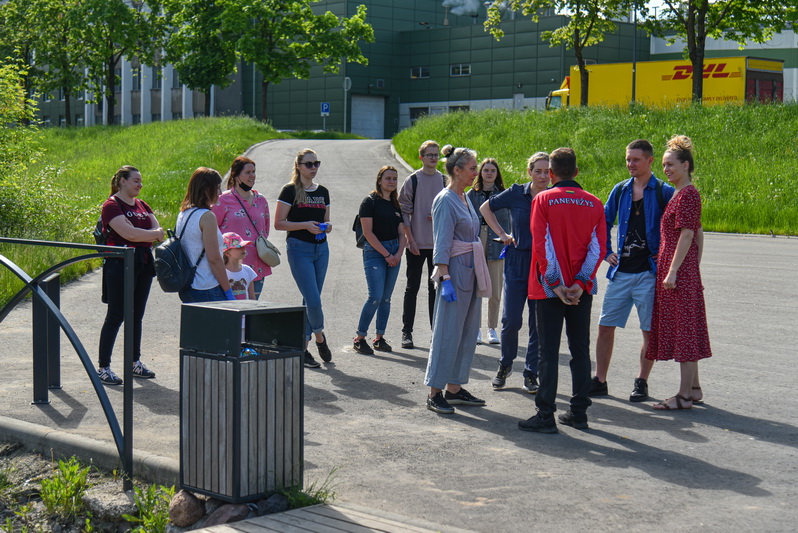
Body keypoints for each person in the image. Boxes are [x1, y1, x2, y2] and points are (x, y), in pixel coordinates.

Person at [520, 147, 606, 433]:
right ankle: (579, 413)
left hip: (548, 289)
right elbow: (598, 248)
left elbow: (541, 243)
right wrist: (580, 283)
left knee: (548, 352)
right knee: (580, 350)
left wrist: (555, 283)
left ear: (552, 173)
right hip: (580, 290)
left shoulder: (543, 199)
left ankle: (546, 416)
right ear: (577, 172)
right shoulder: (594, 203)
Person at [589, 140, 675, 402]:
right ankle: (600, 380)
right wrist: (605, 252)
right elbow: (601, 221)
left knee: (648, 329)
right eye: (628, 159)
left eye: (636, 160)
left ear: (650, 161)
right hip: (621, 272)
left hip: (650, 273)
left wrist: (666, 256)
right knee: (605, 326)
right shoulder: (621, 190)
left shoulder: (664, 191)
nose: (630, 164)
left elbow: (679, 228)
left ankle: (641, 382)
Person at [645, 135, 712, 410]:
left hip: (678, 274)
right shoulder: (680, 194)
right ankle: (694, 389)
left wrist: (674, 271)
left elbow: (687, 234)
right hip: (683, 271)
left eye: (671, 164)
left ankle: (683, 397)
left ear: (686, 165)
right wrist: (692, 267)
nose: (666, 169)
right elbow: (699, 232)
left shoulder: (687, 194)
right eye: (663, 165)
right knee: (687, 329)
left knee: (685, 332)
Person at [425, 145, 490, 415]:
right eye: (472, 168)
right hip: (454, 271)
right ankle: (434, 391)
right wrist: (444, 275)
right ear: (457, 170)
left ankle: (454, 388)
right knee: (448, 331)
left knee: (466, 332)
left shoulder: (464, 197)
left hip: (471, 270)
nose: (476, 172)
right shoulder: (446, 198)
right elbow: (441, 240)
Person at [480, 152, 550, 394]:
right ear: (529, 171)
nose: (543, 176)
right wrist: (502, 234)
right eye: (538, 170)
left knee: (537, 322)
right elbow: (485, 208)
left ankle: (531, 372)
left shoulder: (554, 196)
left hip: (543, 264)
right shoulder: (516, 192)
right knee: (510, 320)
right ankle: (505, 365)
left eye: (547, 171)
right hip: (517, 260)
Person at [97, 166, 165, 385]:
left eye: (141, 181)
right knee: (116, 315)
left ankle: (134, 362)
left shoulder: (142, 205)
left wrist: (145, 235)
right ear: (123, 181)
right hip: (120, 264)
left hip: (143, 262)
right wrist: (147, 235)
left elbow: (158, 231)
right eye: (136, 180)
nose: (140, 185)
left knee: (136, 315)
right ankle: (103, 367)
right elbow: (129, 234)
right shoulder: (111, 205)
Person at [274, 148, 332, 369]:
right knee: (314, 300)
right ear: (298, 166)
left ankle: (302, 348)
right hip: (299, 249)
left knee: (310, 300)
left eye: (316, 163)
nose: (313, 168)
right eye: (309, 164)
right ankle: (319, 337)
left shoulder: (323, 191)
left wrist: (327, 227)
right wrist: (305, 226)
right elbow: (279, 223)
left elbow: (326, 220)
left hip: (321, 249)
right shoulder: (289, 190)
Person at [398, 140, 446, 349]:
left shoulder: (444, 180)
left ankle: (436, 332)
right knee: (412, 288)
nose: (433, 158)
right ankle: (406, 332)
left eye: (436, 155)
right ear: (421, 157)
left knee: (435, 289)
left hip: (438, 245)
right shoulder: (413, 180)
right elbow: (403, 211)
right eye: (429, 155)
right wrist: (410, 239)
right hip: (416, 244)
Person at [353, 166, 407, 355]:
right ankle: (360, 338)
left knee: (386, 298)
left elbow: (402, 232)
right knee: (375, 296)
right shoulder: (370, 202)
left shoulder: (395, 204)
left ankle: (379, 338)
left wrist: (399, 253)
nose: (391, 182)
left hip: (394, 251)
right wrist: (387, 254)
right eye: (388, 178)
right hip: (375, 251)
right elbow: (367, 233)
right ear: (379, 180)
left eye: (394, 178)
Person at [212, 156, 271, 298]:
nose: (252, 176)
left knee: (253, 308)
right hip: (230, 268)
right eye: (248, 172)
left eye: (254, 172)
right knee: (232, 310)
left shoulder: (261, 200)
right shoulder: (223, 200)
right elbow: (212, 231)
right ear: (236, 175)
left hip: (257, 265)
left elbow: (265, 230)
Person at [176, 167, 235, 304]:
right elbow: (214, 259)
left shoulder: (184, 213)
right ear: (207, 189)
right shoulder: (206, 216)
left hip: (188, 285)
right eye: (218, 188)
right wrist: (228, 291)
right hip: (207, 286)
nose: (220, 193)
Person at [466, 158, 507, 345]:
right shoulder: (471, 195)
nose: (489, 173)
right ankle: (476, 329)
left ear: (497, 174)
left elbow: (509, 221)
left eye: (492, 170)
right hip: (476, 241)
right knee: (476, 287)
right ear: (480, 173)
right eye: (486, 170)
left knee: (495, 289)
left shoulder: (504, 195)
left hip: (497, 243)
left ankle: (492, 329)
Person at [223, 232, 257, 300]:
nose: (243, 249)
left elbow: (252, 297)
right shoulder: (221, 273)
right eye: (239, 247)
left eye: (243, 246)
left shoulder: (248, 270)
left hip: (245, 309)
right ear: (227, 253)